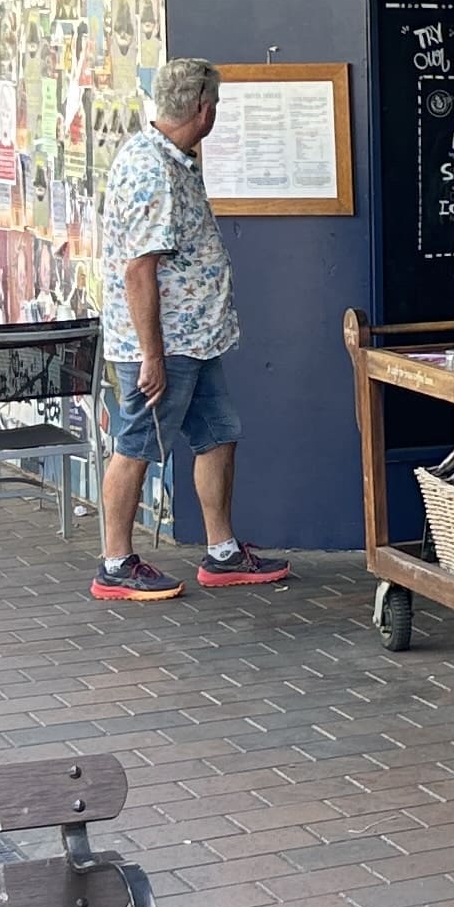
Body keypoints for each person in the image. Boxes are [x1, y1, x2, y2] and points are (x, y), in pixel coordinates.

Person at [92, 57, 286, 600]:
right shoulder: (152, 170)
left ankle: (222, 552)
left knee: (219, 433)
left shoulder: (174, 159)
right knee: (136, 444)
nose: (215, 112)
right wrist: (151, 356)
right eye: (215, 103)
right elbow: (139, 269)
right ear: (203, 109)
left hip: (196, 340)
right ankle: (115, 563)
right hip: (166, 344)